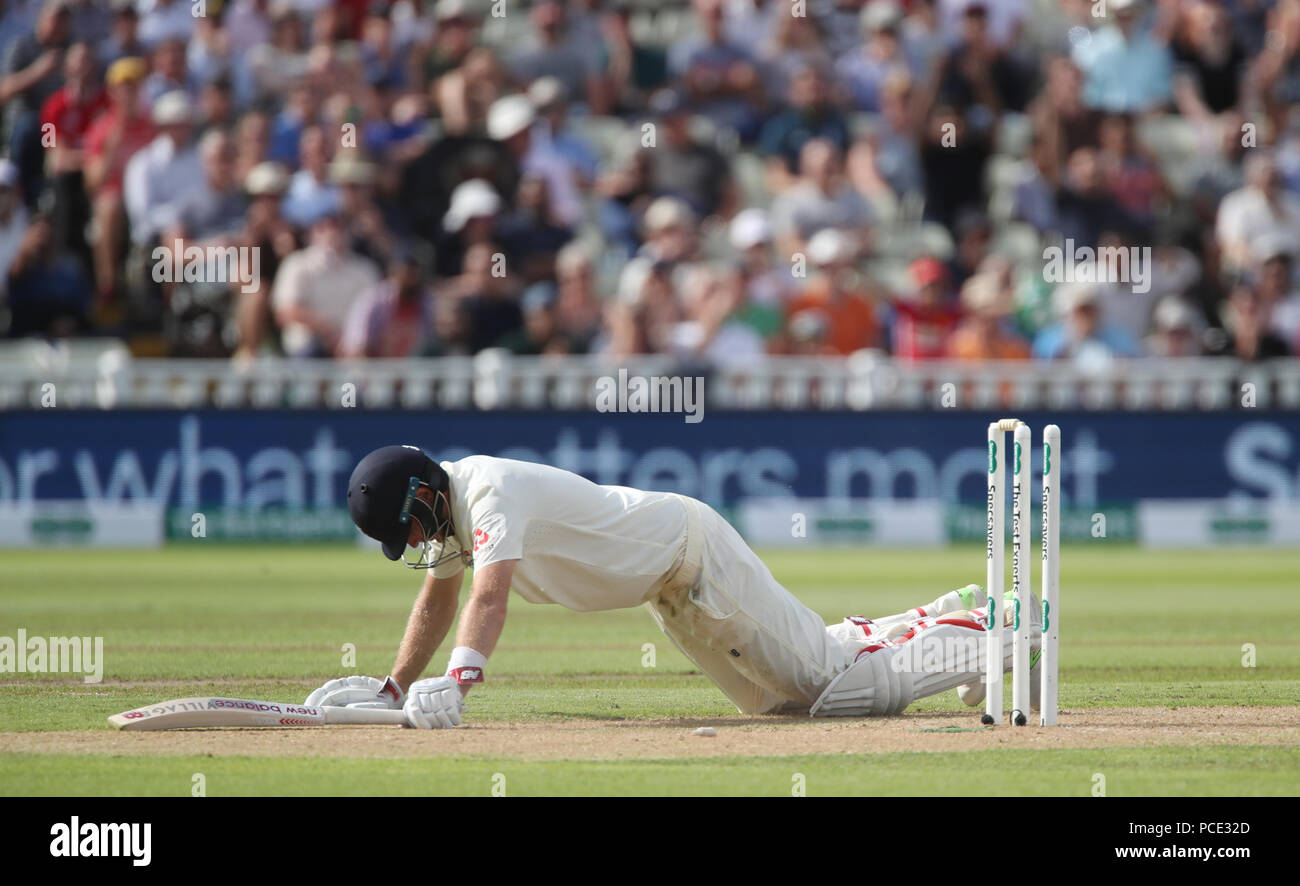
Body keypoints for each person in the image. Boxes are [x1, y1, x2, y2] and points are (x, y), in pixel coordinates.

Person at [304, 445, 1039, 728]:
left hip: (692, 557)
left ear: (425, 492)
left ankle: (996, 634)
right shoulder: (452, 516)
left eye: (418, 526)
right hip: (670, 586)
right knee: (783, 702)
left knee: (829, 694)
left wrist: (459, 683)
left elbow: (485, 598)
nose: (425, 544)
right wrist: (396, 687)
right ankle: (933, 619)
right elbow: (438, 595)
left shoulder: (486, 490)